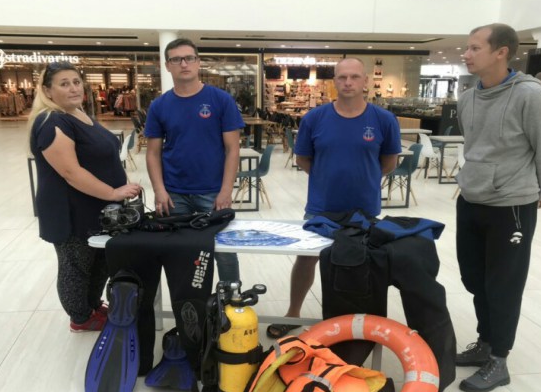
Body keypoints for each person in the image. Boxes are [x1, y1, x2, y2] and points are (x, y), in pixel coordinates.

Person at [455, 23, 541, 392]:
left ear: (501, 52)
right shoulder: (468, 97)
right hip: (471, 200)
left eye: (474, 48)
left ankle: (499, 359)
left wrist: (537, 191)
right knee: (474, 279)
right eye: (466, 48)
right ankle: (485, 342)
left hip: (511, 206)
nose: (466, 54)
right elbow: (474, 146)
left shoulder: (531, 96)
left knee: (503, 284)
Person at [268, 57, 401, 339]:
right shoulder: (314, 119)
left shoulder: (384, 120)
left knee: (359, 261)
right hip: (322, 205)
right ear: (334, 81)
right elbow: (304, 159)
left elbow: (388, 162)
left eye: (355, 77)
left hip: (364, 208)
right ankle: (293, 313)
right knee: (307, 258)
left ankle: (353, 320)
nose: (348, 83)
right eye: (342, 77)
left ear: (365, 81)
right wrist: (327, 177)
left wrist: (364, 178)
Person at [28, 61, 141, 332]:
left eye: (76, 82)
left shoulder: (79, 114)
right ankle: (80, 317)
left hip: (95, 207)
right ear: (47, 90)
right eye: (64, 84)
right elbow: (71, 172)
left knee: (98, 261)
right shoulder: (52, 121)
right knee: (76, 266)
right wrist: (113, 192)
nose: (73, 88)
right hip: (72, 210)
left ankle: (91, 304)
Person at [145, 38, 244, 282]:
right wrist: (159, 190)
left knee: (225, 254)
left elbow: (233, 149)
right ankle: (191, 304)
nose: (184, 64)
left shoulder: (221, 100)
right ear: (167, 66)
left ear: (198, 62)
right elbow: (153, 152)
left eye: (189, 58)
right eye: (176, 59)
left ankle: (231, 303)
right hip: (174, 195)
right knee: (182, 254)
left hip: (213, 193)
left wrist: (226, 190)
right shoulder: (159, 106)